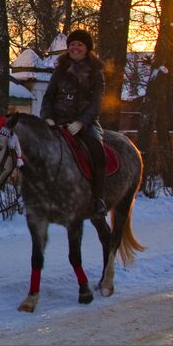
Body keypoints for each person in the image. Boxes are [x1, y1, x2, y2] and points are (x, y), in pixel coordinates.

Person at [40, 29, 108, 216]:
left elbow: (96, 104)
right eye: (72, 45)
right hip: (57, 122)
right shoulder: (60, 70)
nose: (75, 48)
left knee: (97, 152)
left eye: (79, 45)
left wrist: (81, 122)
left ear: (87, 49)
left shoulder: (96, 72)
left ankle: (98, 198)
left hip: (85, 124)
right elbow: (48, 97)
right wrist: (47, 117)